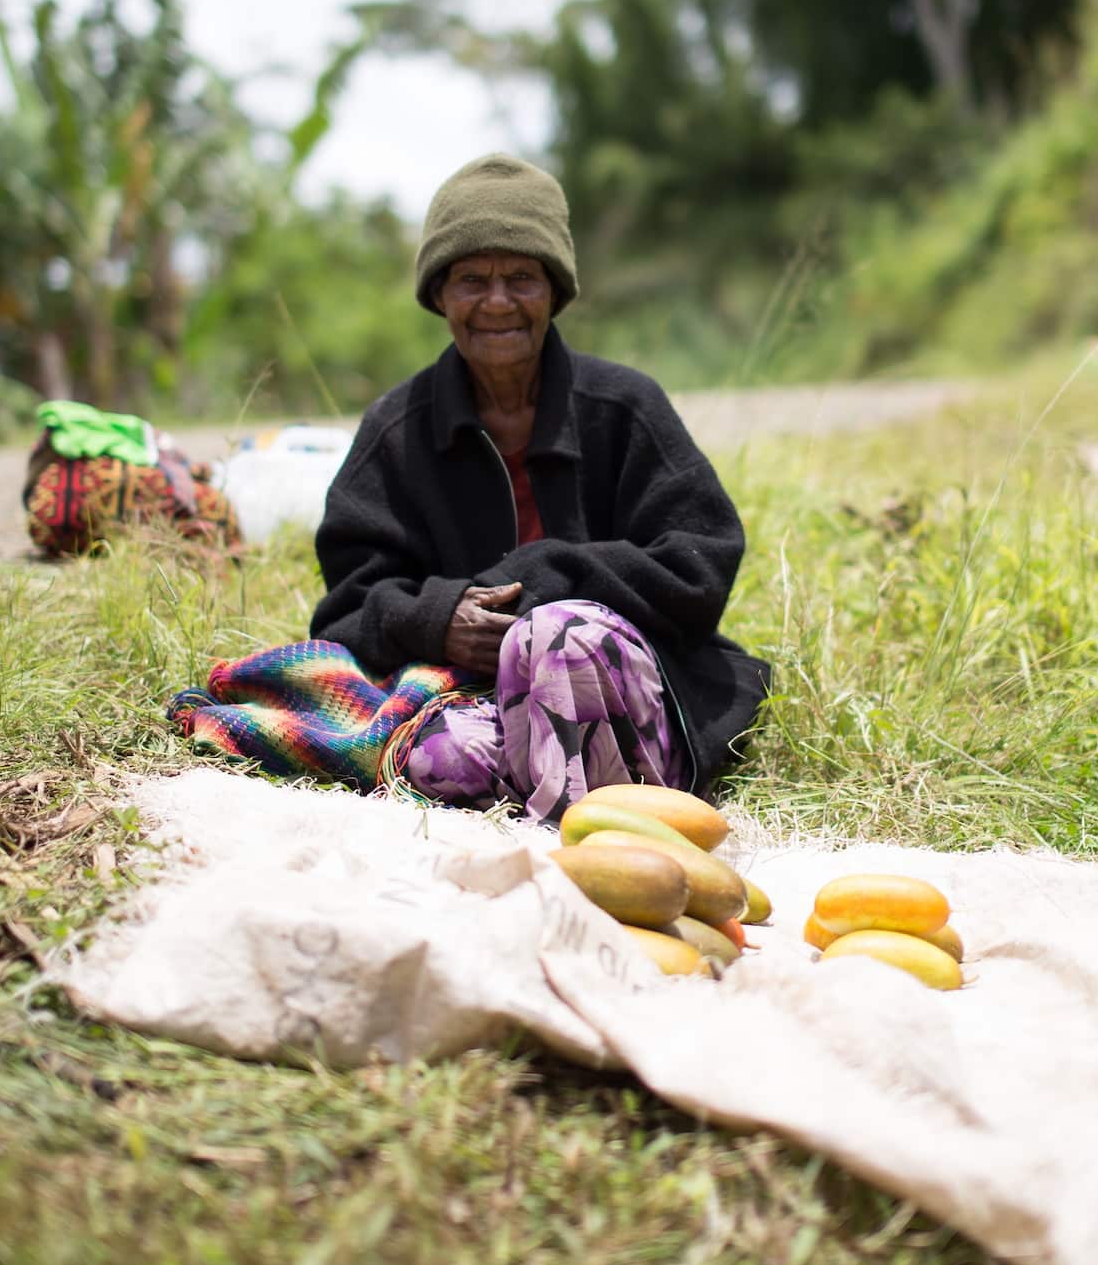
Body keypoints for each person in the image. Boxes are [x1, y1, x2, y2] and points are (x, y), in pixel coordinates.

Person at [311, 153, 768, 821]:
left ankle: (588, 829)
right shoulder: (397, 429)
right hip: (477, 696)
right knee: (443, 757)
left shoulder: (623, 407)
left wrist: (548, 579)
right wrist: (439, 620)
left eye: (521, 278)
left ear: (554, 291)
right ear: (439, 295)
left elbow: (699, 567)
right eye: (472, 280)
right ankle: (573, 813)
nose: (497, 303)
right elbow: (346, 609)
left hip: (621, 694)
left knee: (554, 635)